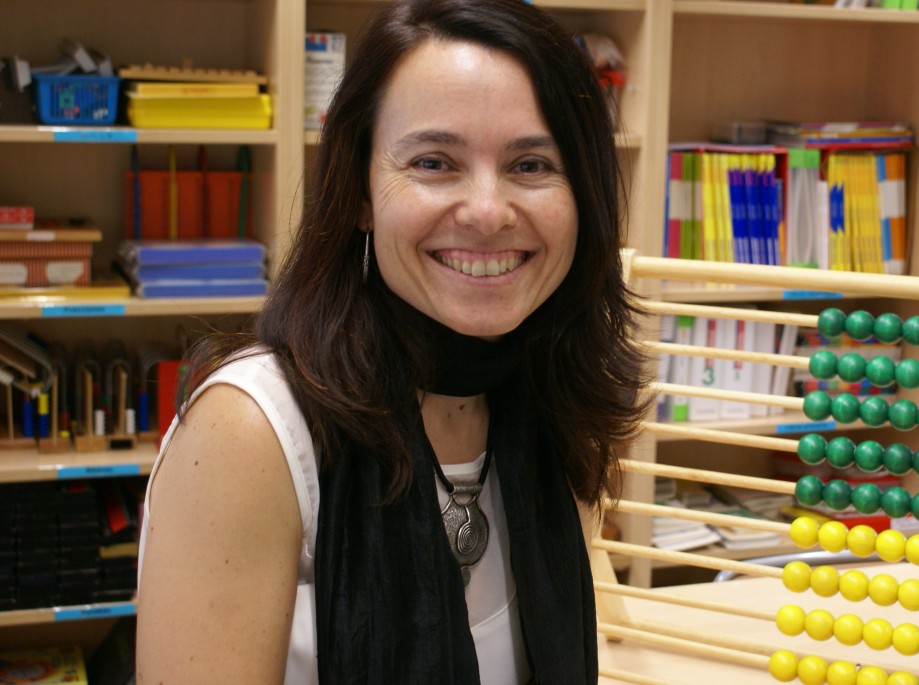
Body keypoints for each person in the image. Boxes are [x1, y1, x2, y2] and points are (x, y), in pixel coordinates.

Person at [135, 0, 648, 683]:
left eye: (531, 165)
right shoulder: (250, 435)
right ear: (361, 195)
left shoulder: (551, 403)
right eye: (435, 161)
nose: (489, 212)